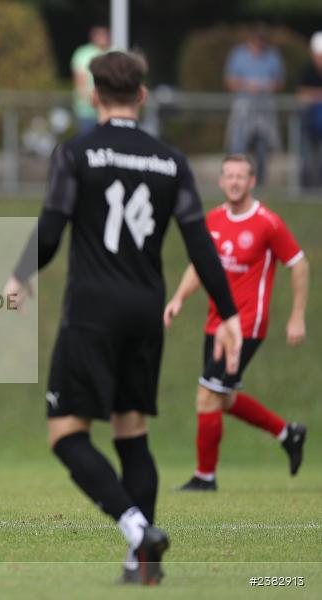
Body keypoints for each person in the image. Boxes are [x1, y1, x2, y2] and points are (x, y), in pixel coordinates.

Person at [3, 52, 242, 585]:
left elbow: (50, 231)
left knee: (67, 434)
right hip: (145, 311)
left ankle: (137, 531)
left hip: (94, 309)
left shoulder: (77, 153)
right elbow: (201, 242)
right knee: (132, 434)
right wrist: (228, 313)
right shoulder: (171, 161)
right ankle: (145, 565)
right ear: (143, 96)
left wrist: (19, 275)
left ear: (93, 96)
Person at [164, 155, 309, 491]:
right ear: (220, 181)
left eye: (240, 177)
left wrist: (297, 316)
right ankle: (288, 433)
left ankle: (205, 477)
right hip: (216, 324)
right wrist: (178, 299)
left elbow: (299, 265)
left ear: (252, 181)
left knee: (206, 395)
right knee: (222, 398)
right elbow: (200, 265)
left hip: (247, 324)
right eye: (228, 176)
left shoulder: (267, 223)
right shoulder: (213, 220)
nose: (233, 182)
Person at [224, 25, 284, 186]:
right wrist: (246, 85)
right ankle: (236, 179)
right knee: (238, 145)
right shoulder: (238, 54)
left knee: (263, 146)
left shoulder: (272, 56)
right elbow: (229, 81)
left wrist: (267, 86)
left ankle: (259, 182)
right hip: (244, 105)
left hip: (264, 106)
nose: (259, 41)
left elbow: (279, 83)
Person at [70, 25, 111, 133]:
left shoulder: (115, 51)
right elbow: (80, 80)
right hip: (88, 110)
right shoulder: (83, 53)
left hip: (109, 109)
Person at [298, 32, 322, 189]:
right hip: (308, 121)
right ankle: (306, 190)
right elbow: (301, 94)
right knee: (306, 158)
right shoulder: (307, 70)